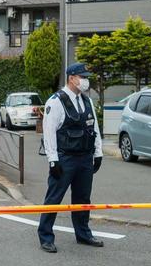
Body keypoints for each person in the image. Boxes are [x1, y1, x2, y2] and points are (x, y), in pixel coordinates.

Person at [37, 63, 103, 253]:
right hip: (65, 158)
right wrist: (53, 159)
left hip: (85, 158)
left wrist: (98, 153)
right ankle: (46, 236)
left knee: (83, 198)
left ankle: (83, 234)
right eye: (82, 77)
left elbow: (94, 127)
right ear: (72, 78)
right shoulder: (56, 101)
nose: (85, 81)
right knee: (54, 198)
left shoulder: (87, 101)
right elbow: (49, 132)